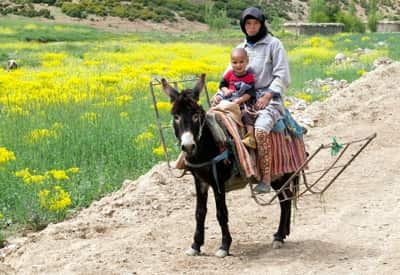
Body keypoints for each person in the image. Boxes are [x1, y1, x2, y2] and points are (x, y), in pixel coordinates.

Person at [236, 7, 292, 193]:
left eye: (255, 23)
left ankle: (266, 177)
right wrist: (222, 92)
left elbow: (282, 74)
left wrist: (269, 94)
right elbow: (231, 73)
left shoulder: (273, 44)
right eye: (248, 24)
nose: (252, 27)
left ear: (262, 24)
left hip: (269, 97)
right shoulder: (241, 48)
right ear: (243, 26)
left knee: (260, 131)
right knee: (220, 120)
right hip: (245, 96)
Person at [213, 48, 257, 149]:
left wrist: (240, 100)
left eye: (241, 62)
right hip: (230, 97)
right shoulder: (229, 74)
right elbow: (222, 85)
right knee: (217, 106)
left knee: (246, 113)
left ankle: (250, 135)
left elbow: (250, 93)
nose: (238, 65)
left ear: (247, 61)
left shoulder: (249, 77)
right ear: (231, 63)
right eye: (235, 62)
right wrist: (225, 91)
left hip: (243, 100)